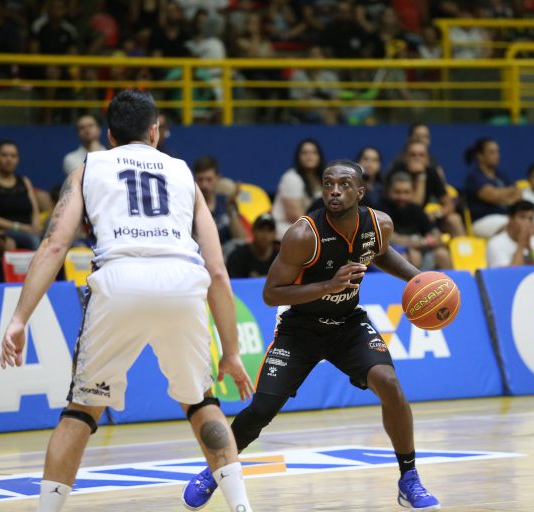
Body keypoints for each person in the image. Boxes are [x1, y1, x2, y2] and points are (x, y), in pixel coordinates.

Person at [0, 90, 255, 512]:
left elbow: (54, 245)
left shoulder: (89, 167)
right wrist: (230, 351)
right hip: (181, 281)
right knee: (201, 401)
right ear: (155, 131)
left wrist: (20, 318)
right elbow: (218, 271)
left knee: (82, 410)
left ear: (109, 135)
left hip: (119, 281)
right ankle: (242, 506)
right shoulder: (183, 172)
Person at [183, 160, 442, 511]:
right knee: (261, 409)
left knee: (390, 384)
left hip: (347, 324)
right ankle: (215, 470)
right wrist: (328, 286)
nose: (335, 190)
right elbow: (271, 293)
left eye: (344, 185)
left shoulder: (379, 224)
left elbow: (379, 253)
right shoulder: (303, 235)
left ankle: (409, 478)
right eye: (328, 183)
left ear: (360, 192)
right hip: (300, 330)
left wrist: (418, 279)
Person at [0, 140, 43, 251]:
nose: (9, 159)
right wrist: (21, 227)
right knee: (33, 240)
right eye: (4, 155)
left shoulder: (24, 181)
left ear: (18, 159)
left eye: (13, 156)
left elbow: (35, 211)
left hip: (29, 229)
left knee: (60, 239)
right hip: (5, 230)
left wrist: (35, 226)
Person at [384, 172, 452, 270]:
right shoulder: (383, 210)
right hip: (395, 252)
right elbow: (390, 239)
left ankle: (447, 280)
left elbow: (437, 236)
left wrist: (422, 242)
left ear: (412, 193)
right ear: (389, 192)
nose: (402, 197)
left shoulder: (417, 209)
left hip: (422, 250)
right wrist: (416, 243)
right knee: (409, 256)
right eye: (397, 192)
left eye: (406, 192)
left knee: (442, 254)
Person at [463, 137, 521, 238]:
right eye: (492, 152)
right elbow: (492, 196)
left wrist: (501, 195)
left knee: (529, 228)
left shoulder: (501, 175)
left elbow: (518, 193)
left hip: (507, 217)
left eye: (497, 152)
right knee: (514, 228)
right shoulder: (474, 177)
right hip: (483, 221)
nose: (497, 156)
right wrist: (509, 194)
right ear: (480, 156)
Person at [272, 138, 326, 240]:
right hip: (287, 229)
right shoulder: (291, 178)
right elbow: (295, 216)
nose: (309, 156)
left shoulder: (323, 179)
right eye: (305, 153)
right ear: (298, 157)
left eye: (314, 152)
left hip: (311, 228)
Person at [192, 155, 247, 253]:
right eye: (200, 179)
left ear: (218, 178)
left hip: (226, 255)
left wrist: (230, 209)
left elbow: (241, 238)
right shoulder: (189, 205)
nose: (204, 185)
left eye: (209, 179)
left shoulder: (226, 202)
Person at [486, 200, 534, 268]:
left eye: (530, 219)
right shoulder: (496, 243)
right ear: (510, 219)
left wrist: (530, 248)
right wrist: (521, 245)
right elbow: (507, 273)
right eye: (522, 217)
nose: (527, 222)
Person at [226, 213, 278, 278]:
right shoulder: (237, 257)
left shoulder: (279, 258)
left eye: (269, 230)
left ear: (274, 234)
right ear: (253, 231)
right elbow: (233, 282)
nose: (265, 235)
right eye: (261, 229)